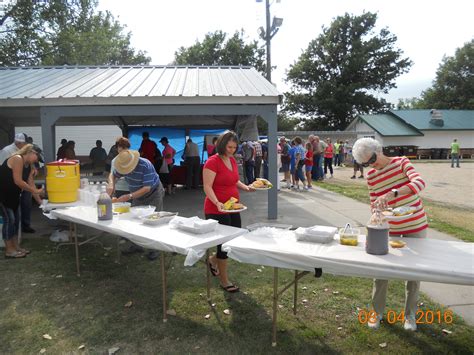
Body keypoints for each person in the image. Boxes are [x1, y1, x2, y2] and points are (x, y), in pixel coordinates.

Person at [352, 137, 428, 332]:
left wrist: (392, 193)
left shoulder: (402, 162)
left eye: (373, 159)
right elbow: (373, 202)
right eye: (367, 163)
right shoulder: (371, 176)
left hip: (415, 224)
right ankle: (376, 312)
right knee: (381, 271)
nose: (373, 165)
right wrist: (377, 210)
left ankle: (410, 315)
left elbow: (419, 183)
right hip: (390, 228)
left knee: (414, 272)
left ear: (379, 150)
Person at [203, 131, 255, 293]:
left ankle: (212, 260)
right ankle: (224, 281)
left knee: (233, 240)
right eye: (229, 147)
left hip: (233, 207)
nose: (232, 150)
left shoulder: (231, 160)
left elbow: (234, 179)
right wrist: (217, 202)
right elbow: (207, 186)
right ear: (222, 144)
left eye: (234, 147)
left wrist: (246, 187)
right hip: (216, 209)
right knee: (224, 246)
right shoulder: (213, 161)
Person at [107, 145, 165, 261]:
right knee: (135, 219)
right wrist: (111, 184)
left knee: (153, 220)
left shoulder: (145, 164)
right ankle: (137, 245)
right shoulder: (122, 165)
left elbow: (146, 188)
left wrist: (129, 196)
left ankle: (155, 249)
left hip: (153, 192)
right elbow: (113, 174)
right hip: (137, 193)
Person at [0, 144, 44, 258]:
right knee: (10, 221)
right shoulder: (17, 159)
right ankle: (9, 250)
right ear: (30, 152)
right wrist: (35, 190)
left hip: (14, 196)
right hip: (3, 196)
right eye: (37, 157)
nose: (37, 160)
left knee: (16, 221)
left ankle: (16, 247)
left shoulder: (28, 166)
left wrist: (40, 202)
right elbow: (18, 181)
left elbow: (31, 184)